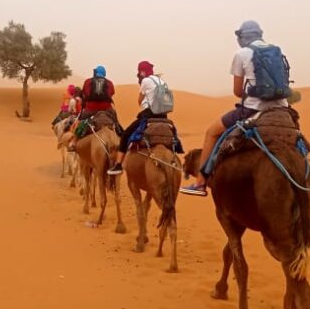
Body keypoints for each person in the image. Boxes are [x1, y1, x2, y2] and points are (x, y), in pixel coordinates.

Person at [179, 20, 288, 197]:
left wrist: (251, 90)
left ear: (243, 36)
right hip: (282, 108)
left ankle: (200, 182)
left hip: (253, 109)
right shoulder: (276, 51)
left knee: (211, 132)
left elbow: (237, 92)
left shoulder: (242, 54)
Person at [107, 61, 171, 175]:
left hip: (150, 114)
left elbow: (140, 100)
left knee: (126, 134)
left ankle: (118, 165)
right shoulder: (161, 81)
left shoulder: (146, 81)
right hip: (164, 115)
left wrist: (145, 101)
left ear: (142, 72)